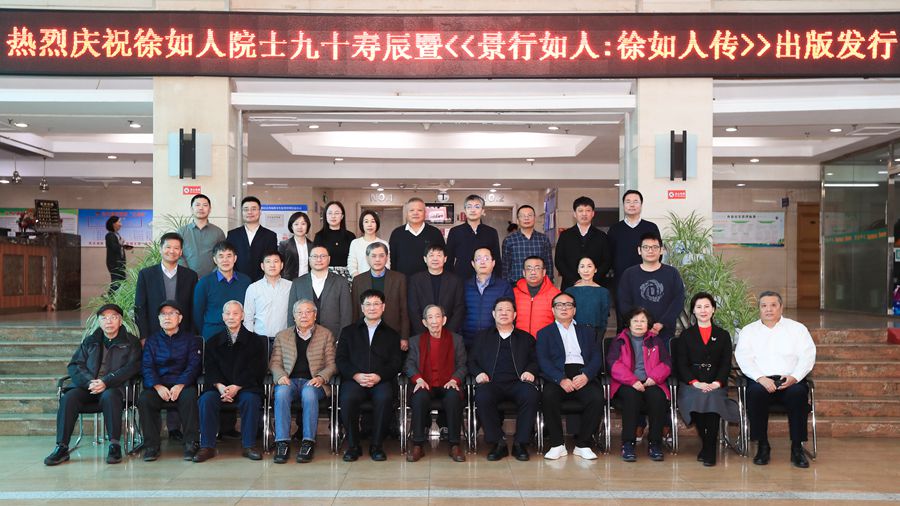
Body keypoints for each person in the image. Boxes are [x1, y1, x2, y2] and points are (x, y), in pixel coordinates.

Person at [43, 304, 141, 466]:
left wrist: (106, 381)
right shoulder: (90, 341)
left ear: (120, 320)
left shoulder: (131, 342)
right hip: (88, 387)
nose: (108, 321)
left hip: (115, 388)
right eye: (104, 318)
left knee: (110, 396)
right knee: (69, 398)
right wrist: (89, 382)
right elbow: (75, 365)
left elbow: (132, 368)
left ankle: (114, 445)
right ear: (98, 321)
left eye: (113, 317)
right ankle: (61, 447)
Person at [735, 291, 816, 469]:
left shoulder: (797, 329)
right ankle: (763, 446)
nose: (768, 309)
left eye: (773, 305)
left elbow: (808, 356)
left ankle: (797, 448)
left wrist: (795, 377)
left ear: (781, 307)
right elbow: (743, 358)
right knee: (755, 394)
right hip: (761, 380)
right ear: (759, 309)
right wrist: (760, 378)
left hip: (790, 379)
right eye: (764, 306)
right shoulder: (749, 331)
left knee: (798, 394)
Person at [193, 301, 267, 463]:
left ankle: (249, 445)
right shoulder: (213, 341)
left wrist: (237, 386)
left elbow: (257, 369)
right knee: (206, 400)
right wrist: (220, 387)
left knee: (251, 400)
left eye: (235, 313)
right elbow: (210, 368)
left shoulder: (255, 341)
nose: (231, 317)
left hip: (245, 386)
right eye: (227, 313)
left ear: (242, 316)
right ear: (222, 317)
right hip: (220, 387)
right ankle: (207, 446)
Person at [336, 289, 403, 462]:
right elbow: (341, 359)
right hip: (355, 380)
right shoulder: (348, 332)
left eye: (376, 304)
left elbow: (396, 362)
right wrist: (355, 375)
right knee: (347, 398)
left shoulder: (392, 334)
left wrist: (379, 376)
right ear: (362, 308)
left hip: (381, 380)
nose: (372, 308)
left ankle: (377, 445)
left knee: (385, 398)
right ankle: (353, 446)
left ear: (383, 307)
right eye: (368, 304)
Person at [469, 297, 540, 461]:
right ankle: (498, 443)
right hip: (491, 382)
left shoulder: (526, 338)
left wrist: (530, 371)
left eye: (508, 310)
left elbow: (536, 361)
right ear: (493, 314)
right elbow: (471, 361)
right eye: (500, 310)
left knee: (531, 394)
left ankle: (520, 443)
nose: (504, 313)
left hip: (518, 382)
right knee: (482, 396)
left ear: (514, 315)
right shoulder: (482, 337)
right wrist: (478, 373)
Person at [536, 292, 604, 461]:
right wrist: (560, 379)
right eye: (559, 305)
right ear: (553, 310)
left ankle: (583, 444)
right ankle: (557, 444)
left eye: (568, 305)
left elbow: (597, 357)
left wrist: (586, 375)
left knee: (596, 397)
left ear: (574, 310)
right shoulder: (544, 333)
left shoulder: (587, 331)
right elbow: (543, 360)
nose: (564, 308)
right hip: (558, 374)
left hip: (583, 372)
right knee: (548, 396)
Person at [674, 292, 740, 467]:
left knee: (712, 401)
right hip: (691, 384)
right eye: (699, 307)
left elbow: (725, 363)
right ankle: (707, 444)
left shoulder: (723, 335)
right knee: (697, 399)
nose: (703, 310)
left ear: (713, 310)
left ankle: (709, 450)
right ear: (693, 311)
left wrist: (716, 383)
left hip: (716, 383)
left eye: (707, 306)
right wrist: (695, 382)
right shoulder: (686, 335)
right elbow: (681, 364)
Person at [270, 299, 337, 464]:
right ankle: (282, 442)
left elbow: (332, 364)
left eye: (308, 312)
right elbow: (274, 363)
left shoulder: (326, 334)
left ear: (315, 315)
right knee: (281, 392)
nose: (304, 316)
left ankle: (308, 442)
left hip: (314, 382)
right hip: (289, 381)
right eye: (299, 312)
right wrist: (280, 376)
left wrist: (321, 377)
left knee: (309, 393)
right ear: (294, 316)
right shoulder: (282, 335)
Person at [137, 300, 202, 462]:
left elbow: (194, 365)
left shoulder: (191, 340)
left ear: (180, 318)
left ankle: (191, 443)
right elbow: (146, 366)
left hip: (182, 384)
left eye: (171, 313)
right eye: (163, 314)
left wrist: (180, 384)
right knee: (145, 399)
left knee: (190, 396)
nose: (167, 317)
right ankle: (151, 445)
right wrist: (158, 386)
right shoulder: (152, 341)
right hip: (159, 385)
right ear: (158, 319)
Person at [607, 307, 672, 463]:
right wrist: (633, 381)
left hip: (651, 381)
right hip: (626, 383)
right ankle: (628, 443)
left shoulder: (655, 341)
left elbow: (666, 363)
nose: (639, 324)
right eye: (635, 320)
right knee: (631, 397)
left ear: (648, 324)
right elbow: (613, 364)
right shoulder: (619, 340)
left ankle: (655, 443)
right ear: (628, 323)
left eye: (643, 321)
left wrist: (654, 378)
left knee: (657, 397)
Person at [405, 305, 468, 463]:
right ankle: (418, 444)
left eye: (438, 316)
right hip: (425, 383)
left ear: (444, 320)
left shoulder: (456, 340)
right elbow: (409, 364)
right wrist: (418, 379)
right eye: (430, 317)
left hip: (448, 382)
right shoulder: (416, 341)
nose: (434, 321)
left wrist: (454, 380)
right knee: (419, 397)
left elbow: (462, 365)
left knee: (453, 397)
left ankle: (454, 445)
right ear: (424, 322)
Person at [617, 233, 685, 345]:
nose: (650, 250)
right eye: (646, 247)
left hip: (665, 333)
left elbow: (678, 300)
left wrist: (662, 323)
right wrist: (640, 324)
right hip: (637, 333)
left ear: (661, 250)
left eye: (655, 247)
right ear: (639, 250)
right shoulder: (629, 274)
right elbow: (623, 303)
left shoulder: (672, 273)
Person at [607, 190, 661, 332]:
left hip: (647, 280)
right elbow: (609, 255)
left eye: (635, 201)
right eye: (628, 202)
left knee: (647, 317)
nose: (632, 205)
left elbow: (657, 252)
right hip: (621, 281)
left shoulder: (651, 227)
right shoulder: (615, 229)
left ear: (641, 205)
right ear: (623, 205)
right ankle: (623, 346)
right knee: (623, 319)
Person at [134, 232, 198, 341]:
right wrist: (143, 336)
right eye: (168, 247)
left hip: (183, 336)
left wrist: (192, 335)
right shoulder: (146, 275)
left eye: (176, 248)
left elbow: (194, 308)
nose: (172, 251)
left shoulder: (191, 276)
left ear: (181, 252)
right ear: (160, 249)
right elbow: (140, 307)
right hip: (154, 335)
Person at [286, 245, 353, 337]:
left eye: (323, 256)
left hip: (333, 336)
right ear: (309, 259)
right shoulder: (298, 283)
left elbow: (346, 314)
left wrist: (342, 338)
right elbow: (291, 313)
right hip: (304, 337)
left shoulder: (341, 282)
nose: (319, 259)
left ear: (329, 259)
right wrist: (293, 337)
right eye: (315, 256)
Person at [351, 242, 410, 345]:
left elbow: (404, 309)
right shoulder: (358, 280)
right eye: (373, 256)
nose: (377, 259)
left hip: (392, 332)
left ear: (386, 257)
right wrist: (355, 335)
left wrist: (404, 337)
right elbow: (355, 310)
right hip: (365, 334)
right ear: (367, 258)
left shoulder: (399, 279)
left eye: (381, 256)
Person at [192, 241, 251, 340]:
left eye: (229, 256)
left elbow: (249, 311)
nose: (225, 260)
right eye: (221, 256)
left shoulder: (246, 281)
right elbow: (197, 314)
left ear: (235, 258)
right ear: (215, 260)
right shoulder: (204, 283)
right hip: (212, 334)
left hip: (239, 334)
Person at [554, 196, 611, 290]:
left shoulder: (602, 236)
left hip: (596, 285)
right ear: (574, 214)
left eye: (588, 210)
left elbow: (607, 261)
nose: (584, 214)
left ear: (593, 213)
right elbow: (559, 261)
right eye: (580, 211)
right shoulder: (565, 235)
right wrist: (574, 280)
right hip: (570, 285)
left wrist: (591, 280)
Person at [461, 247, 513, 351]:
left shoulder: (504, 286)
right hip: (468, 341)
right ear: (473, 264)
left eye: (486, 258)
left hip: (494, 342)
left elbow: (510, 314)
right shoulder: (464, 286)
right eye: (478, 259)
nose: (482, 262)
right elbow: (459, 312)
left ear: (493, 263)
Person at [408, 244, 466, 336]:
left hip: (449, 334)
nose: (435, 259)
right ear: (425, 259)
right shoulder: (415, 280)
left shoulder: (455, 281)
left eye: (439, 255)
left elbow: (459, 309)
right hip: (422, 334)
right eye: (431, 255)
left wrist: (447, 333)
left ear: (445, 259)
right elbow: (413, 310)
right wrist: (424, 334)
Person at [446, 194, 501, 280]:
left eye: (477, 207)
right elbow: (448, 260)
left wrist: (497, 280)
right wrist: (450, 281)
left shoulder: (491, 232)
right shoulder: (455, 232)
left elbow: (496, 259)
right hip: (460, 280)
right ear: (465, 210)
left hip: (486, 280)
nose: (473, 210)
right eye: (469, 207)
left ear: (482, 211)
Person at [389, 197, 446, 277]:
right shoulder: (397, 233)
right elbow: (392, 260)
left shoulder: (435, 233)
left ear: (425, 213)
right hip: (403, 281)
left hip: (429, 281)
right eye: (411, 210)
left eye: (419, 210)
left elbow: (442, 258)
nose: (415, 213)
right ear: (406, 213)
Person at [226, 196, 279, 282]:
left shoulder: (270, 236)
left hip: (262, 282)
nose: (249, 212)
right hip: (237, 281)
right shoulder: (232, 235)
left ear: (260, 212)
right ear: (242, 212)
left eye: (254, 209)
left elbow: (271, 260)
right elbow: (229, 258)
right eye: (246, 209)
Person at [243, 251, 293, 342]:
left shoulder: (291, 286)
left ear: (281, 265)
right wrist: (250, 341)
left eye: (276, 261)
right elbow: (248, 318)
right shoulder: (253, 288)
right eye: (268, 261)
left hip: (285, 340)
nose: (272, 265)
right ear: (262, 266)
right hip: (260, 340)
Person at [502, 205, 554, 285]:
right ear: (517, 220)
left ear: (534, 218)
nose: (526, 218)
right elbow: (505, 267)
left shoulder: (543, 239)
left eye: (529, 215)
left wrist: (549, 283)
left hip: (540, 286)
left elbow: (549, 265)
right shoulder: (509, 240)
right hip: (515, 285)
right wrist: (506, 286)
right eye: (523, 216)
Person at [178, 194, 226, 278]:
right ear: (191, 209)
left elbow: (223, 255)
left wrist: (212, 275)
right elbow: (178, 255)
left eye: (205, 205)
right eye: (197, 205)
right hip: (186, 278)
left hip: (212, 278)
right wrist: (188, 274)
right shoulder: (182, 232)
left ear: (209, 209)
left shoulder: (218, 232)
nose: (201, 208)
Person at [565, 257, 610, 342]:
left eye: (589, 266)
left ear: (595, 269)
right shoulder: (569, 291)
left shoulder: (603, 292)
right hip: (573, 334)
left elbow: (604, 317)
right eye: (582, 266)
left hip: (595, 335)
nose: (586, 270)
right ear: (578, 270)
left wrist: (599, 336)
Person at [512, 256, 560, 336]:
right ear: (524, 273)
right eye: (529, 269)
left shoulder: (555, 294)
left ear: (544, 272)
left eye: (537, 268)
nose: (533, 272)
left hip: (545, 340)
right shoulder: (513, 293)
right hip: (520, 340)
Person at [314, 201, 356, 281]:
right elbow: (315, 259)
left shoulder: (350, 236)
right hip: (325, 277)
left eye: (336, 213)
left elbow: (354, 261)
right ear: (325, 216)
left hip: (346, 278)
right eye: (330, 213)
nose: (333, 216)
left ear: (342, 216)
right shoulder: (319, 236)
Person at [347, 210, 390, 278]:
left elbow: (387, 265)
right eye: (366, 221)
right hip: (360, 281)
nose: (369, 225)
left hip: (380, 280)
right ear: (362, 224)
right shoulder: (355, 243)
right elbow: (352, 265)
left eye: (373, 221)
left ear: (377, 224)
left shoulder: (384, 243)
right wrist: (359, 280)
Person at [278, 211, 314, 280]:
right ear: (291, 226)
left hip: (308, 282)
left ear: (307, 226)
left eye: (303, 224)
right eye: (296, 224)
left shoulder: (313, 246)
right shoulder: (284, 245)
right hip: (289, 282)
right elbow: (279, 266)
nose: (300, 227)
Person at [104, 215, 133, 292]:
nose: (121, 224)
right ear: (113, 224)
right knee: (116, 283)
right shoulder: (110, 235)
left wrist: (124, 246)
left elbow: (118, 246)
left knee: (122, 282)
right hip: (115, 264)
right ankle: (110, 297)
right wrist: (121, 243)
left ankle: (115, 297)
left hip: (120, 263)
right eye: (119, 222)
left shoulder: (116, 234)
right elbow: (114, 247)